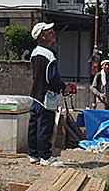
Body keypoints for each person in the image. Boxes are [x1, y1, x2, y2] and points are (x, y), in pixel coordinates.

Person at [27, 22, 75, 166]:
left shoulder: (34, 52)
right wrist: (63, 88)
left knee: (34, 126)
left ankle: (33, 154)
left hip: (35, 94)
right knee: (45, 127)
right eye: (49, 31)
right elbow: (52, 77)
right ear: (42, 36)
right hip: (46, 96)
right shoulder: (49, 54)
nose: (53, 32)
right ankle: (45, 157)